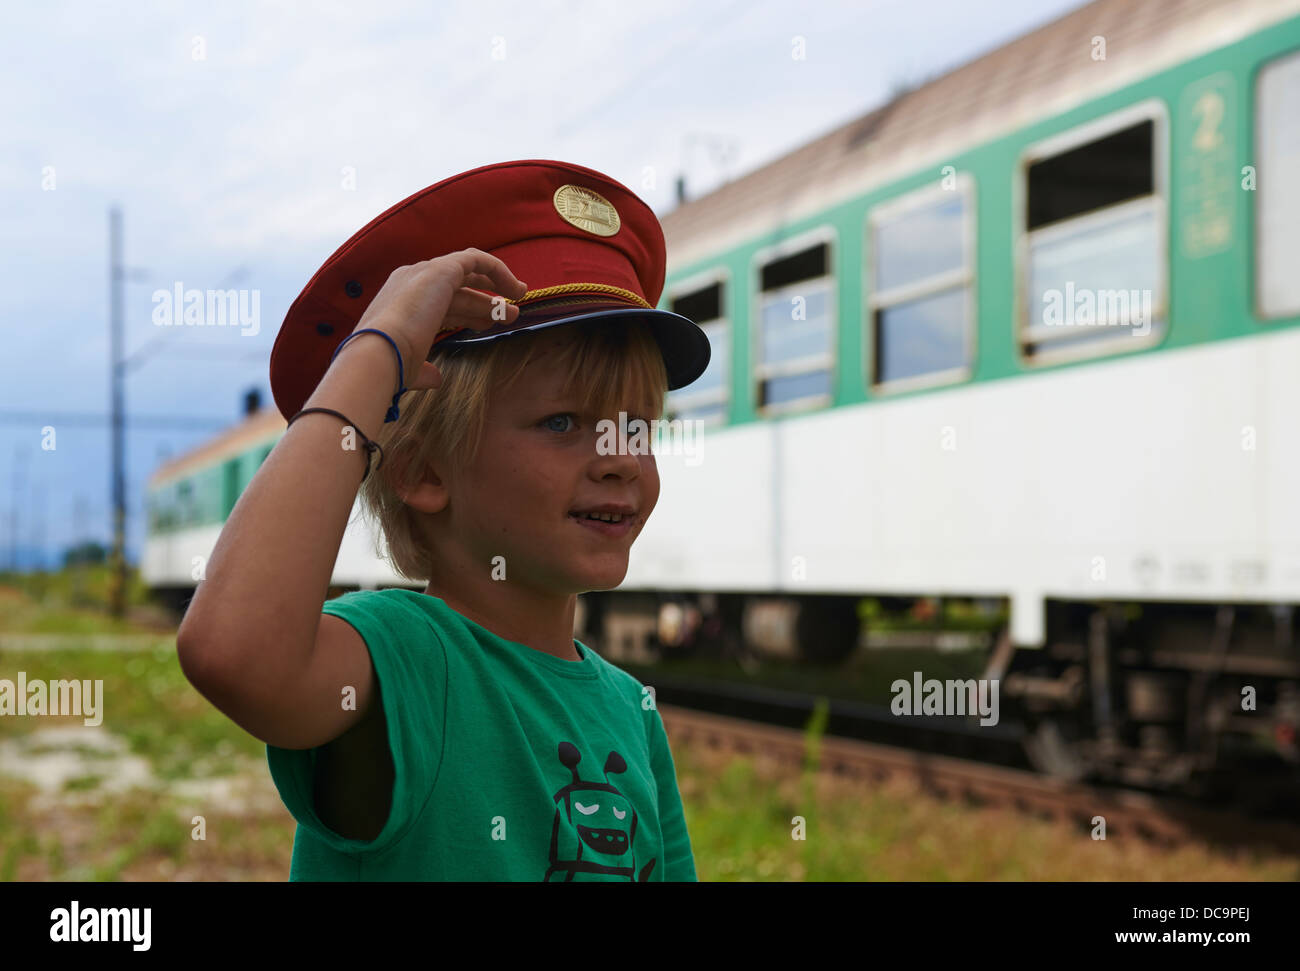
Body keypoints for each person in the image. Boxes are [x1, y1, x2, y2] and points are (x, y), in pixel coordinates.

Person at [177, 159, 711, 881]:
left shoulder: (630, 710)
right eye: (562, 421)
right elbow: (232, 652)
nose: (618, 457)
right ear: (424, 471)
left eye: (636, 427)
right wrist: (383, 347)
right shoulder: (408, 662)